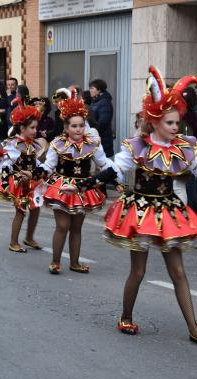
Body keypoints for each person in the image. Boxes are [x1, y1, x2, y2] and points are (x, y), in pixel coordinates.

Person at [72, 67, 197, 345]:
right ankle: (125, 316)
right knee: (138, 271)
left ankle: (194, 329)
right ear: (156, 122)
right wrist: (84, 185)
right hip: (139, 213)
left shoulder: (181, 148)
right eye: (171, 123)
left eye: (178, 123)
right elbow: (115, 171)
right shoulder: (138, 147)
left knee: (178, 272)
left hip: (169, 211)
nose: (176, 128)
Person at [40, 91, 114, 274]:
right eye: (74, 126)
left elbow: (104, 163)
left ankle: (74, 263)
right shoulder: (58, 143)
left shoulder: (92, 143)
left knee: (76, 227)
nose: (78, 129)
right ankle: (55, 261)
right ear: (66, 127)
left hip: (82, 189)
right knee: (63, 225)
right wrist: (36, 174)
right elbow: (49, 165)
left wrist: (117, 173)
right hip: (62, 188)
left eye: (81, 125)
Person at [0, 98, 44, 252]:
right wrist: (14, 175)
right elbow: (5, 163)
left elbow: (35, 162)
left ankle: (29, 237)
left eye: (36, 127)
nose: (35, 131)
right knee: (21, 211)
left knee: (36, 208)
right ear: (22, 128)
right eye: (32, 128)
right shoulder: (13, 144)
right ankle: (13, 242)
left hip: (32, 180)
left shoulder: (34, 144)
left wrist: (42, 171)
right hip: (20, 182)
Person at [89, 79, 114, 156]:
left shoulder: (104, 102)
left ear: (99, 90)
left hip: (102, 141)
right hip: (96, 140)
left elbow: (103, 122)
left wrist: (92, 133)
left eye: (92, 88)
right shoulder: (96, 101)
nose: (90, 90)